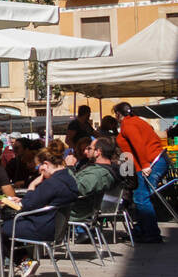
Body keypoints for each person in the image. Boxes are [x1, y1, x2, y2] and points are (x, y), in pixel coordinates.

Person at [1, 148, 82, 277]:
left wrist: (32, 185)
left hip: (42, 227)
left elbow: (28, 205)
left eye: (39, 166)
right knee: (9, 226)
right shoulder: (69, 179)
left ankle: (24, 262)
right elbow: (41, 201)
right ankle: (26, 262)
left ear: (46, 164)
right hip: (55, 227)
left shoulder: (52, 183)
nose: (39, 170)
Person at [115, 102, 168, 244]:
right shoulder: (138, 121)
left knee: (141, 198)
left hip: (150, 162)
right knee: (140, 197)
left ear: (118, 114)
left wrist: (145, 165)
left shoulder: (128, 124)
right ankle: (142, 229)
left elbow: (138, 144)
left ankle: (151, 234)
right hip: (154, 160)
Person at [71, 136, 118, 222]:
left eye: (89, 148)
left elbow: (78, 188)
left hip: (75, 211)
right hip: (75, 207)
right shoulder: (98, 170)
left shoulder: (99, 173)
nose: (86, 151)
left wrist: (69, 168)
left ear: (98, 152)